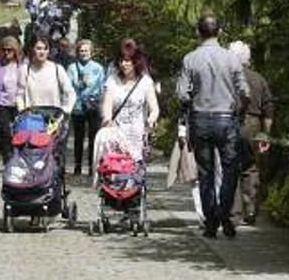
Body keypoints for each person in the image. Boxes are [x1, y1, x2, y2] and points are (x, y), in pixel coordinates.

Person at [176, 14, 249, 239]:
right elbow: (244, 91)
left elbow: (181, 93)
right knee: (229, 170)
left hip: (200, 118)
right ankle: (224, 214)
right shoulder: (232, 58)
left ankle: (211, 221)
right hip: (226, 118)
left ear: (198, 32)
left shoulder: (190, 59)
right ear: (219, 32)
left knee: (205, 172)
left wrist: (189, 104)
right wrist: (239, 110)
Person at [228, 40, 274, 226]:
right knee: (251, 166)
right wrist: (266, 134)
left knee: (230, 166)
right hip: (254, 124)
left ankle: (234, 213)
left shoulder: (229, 78)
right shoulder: (259, 78)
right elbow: (269, 107)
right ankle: (251, 209)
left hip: (232, 122)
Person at [100, 38, 159, 161]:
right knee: (116, 172)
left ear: (135, 62)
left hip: (137, 135)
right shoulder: (112, 80)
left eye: (127, 61)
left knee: (134, 174)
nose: (123, 64)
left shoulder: (145, 82)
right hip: (115, 133)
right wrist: (107, 119)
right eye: (121, 61)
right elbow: (107, 104)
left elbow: (154, 108)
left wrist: (151, 120)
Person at [67, 39, 106, 175]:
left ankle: (92, 166)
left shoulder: (98, 68)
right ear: (77, 52)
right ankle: (77, 166)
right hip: (77, 106)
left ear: (91, 52)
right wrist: (79, 83)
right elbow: (68, 85)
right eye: (81, 51)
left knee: (93, 137)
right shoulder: (72, 67)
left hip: (93, 105)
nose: (84, 53)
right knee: (78, 138)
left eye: (86, 51)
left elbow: (102, 87)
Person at [16, 36, 74, 114]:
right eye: (39, 48)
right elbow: (19, 94)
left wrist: (65, 110)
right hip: (32, 118)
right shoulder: (25, 70)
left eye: (45, 49)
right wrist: (22, 110)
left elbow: (70, 92)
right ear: (32, 49)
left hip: (53, 118)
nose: (42, 52)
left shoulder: (57, 69)